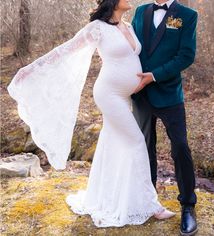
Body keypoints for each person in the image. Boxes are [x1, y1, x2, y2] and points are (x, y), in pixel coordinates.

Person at [7, 0, 176, 228]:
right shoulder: (97, 27)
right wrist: (30, 70)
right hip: (109, 94)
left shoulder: (128, 25)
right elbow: (65, 50)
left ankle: (109, 197)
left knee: (113, 144)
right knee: (137, 141)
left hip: (126, 97)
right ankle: (151, 205)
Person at [131, 0, 198, 235]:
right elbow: (132, 48)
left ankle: (188, 206)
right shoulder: (140, 11)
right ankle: (148, 201)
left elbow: (186, 55)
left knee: (180, 147)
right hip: (140, 94)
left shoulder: (188, 15)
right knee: (143, 148)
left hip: (170, 94)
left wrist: (155, 75)